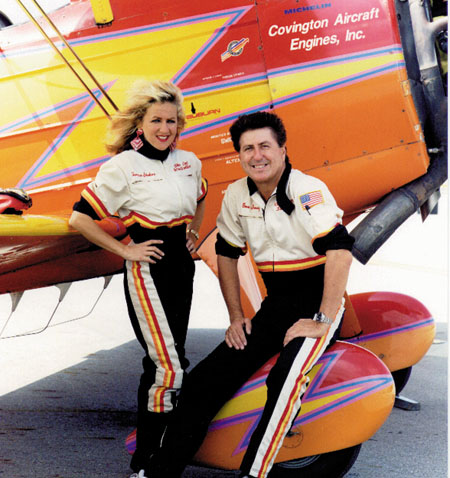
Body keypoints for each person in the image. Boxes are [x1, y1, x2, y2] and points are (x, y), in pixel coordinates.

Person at [145, 110, 354, 478]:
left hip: (317, 306)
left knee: (284, 381)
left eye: (265, 146)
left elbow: (340, 251)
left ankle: (253, 474)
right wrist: (236, 317)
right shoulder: (237, 194)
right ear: (239, 155)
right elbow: (226, 251)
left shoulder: (307, 190)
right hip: (274, 307)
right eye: (248, 149)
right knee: (203, 380)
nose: (257, 156)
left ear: (283, 150)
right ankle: (160, 472)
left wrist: (322, 320)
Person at [68, 80, 207, 478]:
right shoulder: (121, 167)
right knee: (168, 366)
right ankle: (148, 463)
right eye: (156, 121)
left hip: (181, 265)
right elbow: (79, 218)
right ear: (139, 125)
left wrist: (194, 232)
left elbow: (200, 197)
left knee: (169, 359)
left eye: (171, 121)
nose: (164, 129)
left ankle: (158, 452)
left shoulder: (189, 161)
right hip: (149, 269)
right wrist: (126, 250)